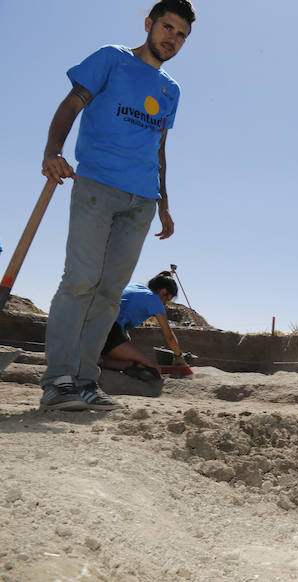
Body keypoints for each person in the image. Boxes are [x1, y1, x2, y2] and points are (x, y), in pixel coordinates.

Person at [38, 0, 196, 411]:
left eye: (181, 35)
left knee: (109, 294)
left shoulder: (171, 89)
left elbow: (159, 148)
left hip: (141, 200)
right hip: (97, 185)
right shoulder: (112, 58)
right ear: (149, 23)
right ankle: (58, 380)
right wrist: (52, 151)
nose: (172, 38)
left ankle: (87, 381)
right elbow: (72, 103)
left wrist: (163, 202)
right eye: (167, 27)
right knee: (80, 281)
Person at [100, 271, 187, 381]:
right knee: (153, 368)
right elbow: (169, 336)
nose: (165, 304)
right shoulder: (154, 299)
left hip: (97, 326)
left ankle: (98, 361)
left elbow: (122, 311)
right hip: (110, 332)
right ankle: (101, 362)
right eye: (167, 299)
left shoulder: (136, 286)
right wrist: (178, 356)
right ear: (163, 291)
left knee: (132, 359)